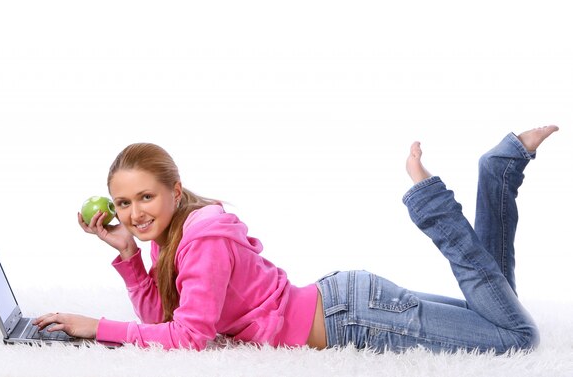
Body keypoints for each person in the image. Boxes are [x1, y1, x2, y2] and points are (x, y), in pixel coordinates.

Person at [34, 125, 559, 353]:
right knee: (497, 313)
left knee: (515, 340)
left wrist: (96, 326)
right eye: (123, 204)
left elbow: (189, 340)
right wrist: (128, 255)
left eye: (145, 198)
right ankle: (501, 171)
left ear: (174, 191)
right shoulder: (177, 238)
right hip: (349, 306)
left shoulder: (204, 239)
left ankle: (433, 204)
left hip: (358, 318)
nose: (134, 213)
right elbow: (166, 323)